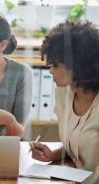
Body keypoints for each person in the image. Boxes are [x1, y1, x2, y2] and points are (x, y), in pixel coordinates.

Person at [31, 20, 99, 183]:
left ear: (77, 65)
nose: (50, 70)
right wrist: (53, 154)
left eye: (55, 64)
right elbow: (82, 144)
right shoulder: (63, 92)